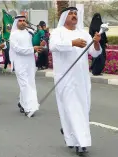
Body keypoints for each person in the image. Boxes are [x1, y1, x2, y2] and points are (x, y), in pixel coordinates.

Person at [49, 7, 101, 156]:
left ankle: (71, 135)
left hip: (82, 79)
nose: (73, 16)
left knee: (83, 109)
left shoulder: (83, 33)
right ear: (64, 16)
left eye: (75, 14)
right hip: (65, 78)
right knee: (72, 108)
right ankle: (81, 143)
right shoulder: (57, 32)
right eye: (70, 14)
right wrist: (72, 43)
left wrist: (96, 43)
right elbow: (53, 46)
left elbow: (95, 53)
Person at [9, 15, 44, 117]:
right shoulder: (13, 35)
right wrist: (32, 49)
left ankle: (22, 102)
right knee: (24, 84)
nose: (22, 22)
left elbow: (35, 44)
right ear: (16, 23)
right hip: (20, 63)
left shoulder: (30, 33)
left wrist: (40, 44)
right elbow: (17, 49)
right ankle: (28, 108)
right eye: (20, 21)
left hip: (30, 62)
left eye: (24, 20)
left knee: (30, 83)